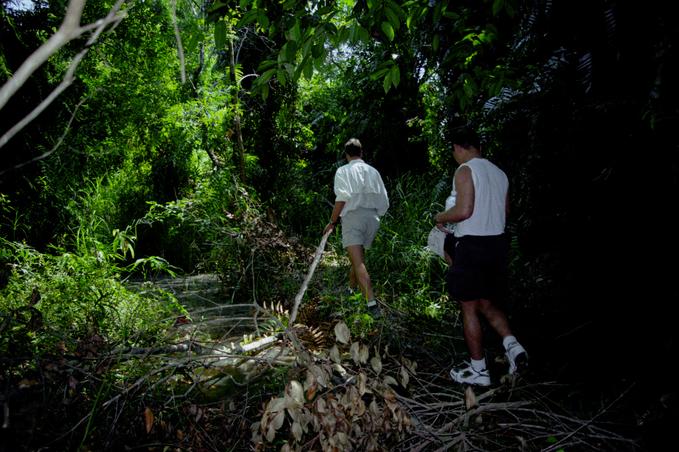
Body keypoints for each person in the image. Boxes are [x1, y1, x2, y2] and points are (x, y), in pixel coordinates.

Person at [434, 127, 527, 386]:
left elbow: (464, 210)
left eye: (453, 150)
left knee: (468, 306)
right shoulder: (500, 174)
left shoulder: (466, 170)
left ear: (459, 147)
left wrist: (439, 218)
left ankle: (478, 370)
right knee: (486, 301)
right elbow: (505, 211)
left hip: (472, 246)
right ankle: (513, 346)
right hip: (497, 246)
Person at [324, 138, 389, 318]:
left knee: (358, 262)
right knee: (358, 257)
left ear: (346, 155)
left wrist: (332, 221)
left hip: (353, 218)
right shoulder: (373, 171)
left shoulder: (343, 171)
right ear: (361, 152)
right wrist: (376, 214)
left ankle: (371, 303)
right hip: (373, 218)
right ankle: (351, 290)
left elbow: (342, 197)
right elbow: (384, 200)